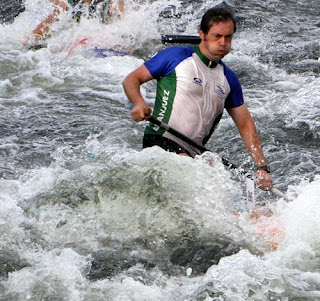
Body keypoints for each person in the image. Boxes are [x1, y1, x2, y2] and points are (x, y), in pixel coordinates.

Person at [122, 7, 273, 191]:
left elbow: (245, 123)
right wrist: (139, 103)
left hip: (194, 155)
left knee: (221, 196)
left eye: (228, 37)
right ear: (202, 34)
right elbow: (131, 79)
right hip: (160, 141)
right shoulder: (176, 57)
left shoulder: (229, 79)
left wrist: (261, 167)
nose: (223, 43)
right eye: (217, 36)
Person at [26, 0, 124, 44]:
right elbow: (36, 36)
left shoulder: (113, 4)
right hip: (61, 42)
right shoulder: (62, 4)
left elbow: (122, 29)